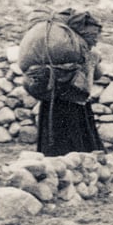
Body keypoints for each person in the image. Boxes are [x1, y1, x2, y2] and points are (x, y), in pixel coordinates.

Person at [20, 9, 105, 157]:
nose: (96, 40)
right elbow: (98, 75)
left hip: (51, 100)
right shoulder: (85, 51)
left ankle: (51, 158)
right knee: (77, 138)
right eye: (95, 35)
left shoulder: (72, 48)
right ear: (85, 33)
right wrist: (95, 60)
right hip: (75, 103)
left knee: (52, 136)